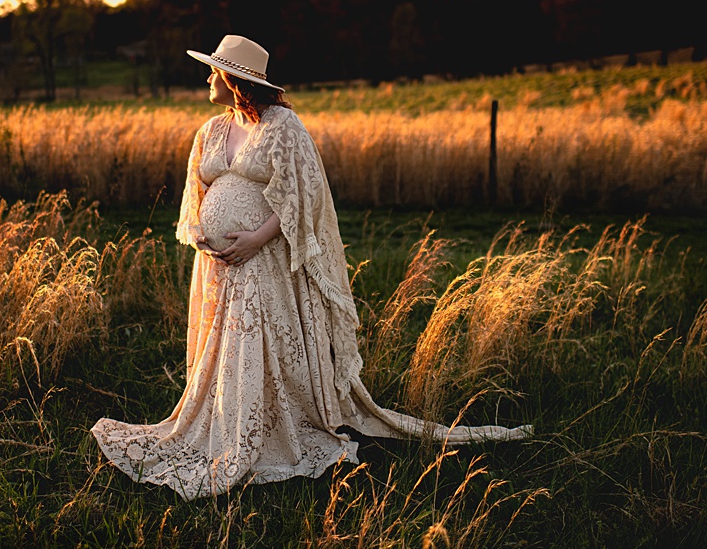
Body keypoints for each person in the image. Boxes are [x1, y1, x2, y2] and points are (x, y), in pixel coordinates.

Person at [91, 35, 531, 500]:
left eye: (213, 71)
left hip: (264, 260)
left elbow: (304, 194)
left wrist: (256, 238)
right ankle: (225, 418)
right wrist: (202, 232)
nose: (207, 78)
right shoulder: (211, 131)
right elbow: (195, 194)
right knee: (224, 347)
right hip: (220, 268)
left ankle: (273, 428)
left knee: (260, 343)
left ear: (234, 80)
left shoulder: (283, 126)